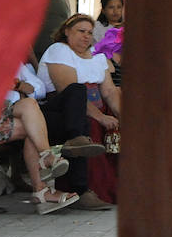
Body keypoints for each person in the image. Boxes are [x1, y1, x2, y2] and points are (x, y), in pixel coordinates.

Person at [38, 14, 120, 209]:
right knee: (87, 121)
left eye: (90, 33)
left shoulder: (97, 55)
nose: (86, 36)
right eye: (81, 31)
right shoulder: (58, 51)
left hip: (95, 106)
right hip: (63, 108)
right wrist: (100, 117)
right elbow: (69, 93)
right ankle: (84, 190)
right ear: (66, 32)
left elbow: (108, 91)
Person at [0, 65, 77, 214]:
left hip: (3, 111)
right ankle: (41, 188)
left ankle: (46, 158)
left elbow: (38, 89)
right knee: (32, 125)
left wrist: (17, 85)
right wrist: (19, 86)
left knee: (31, 110)